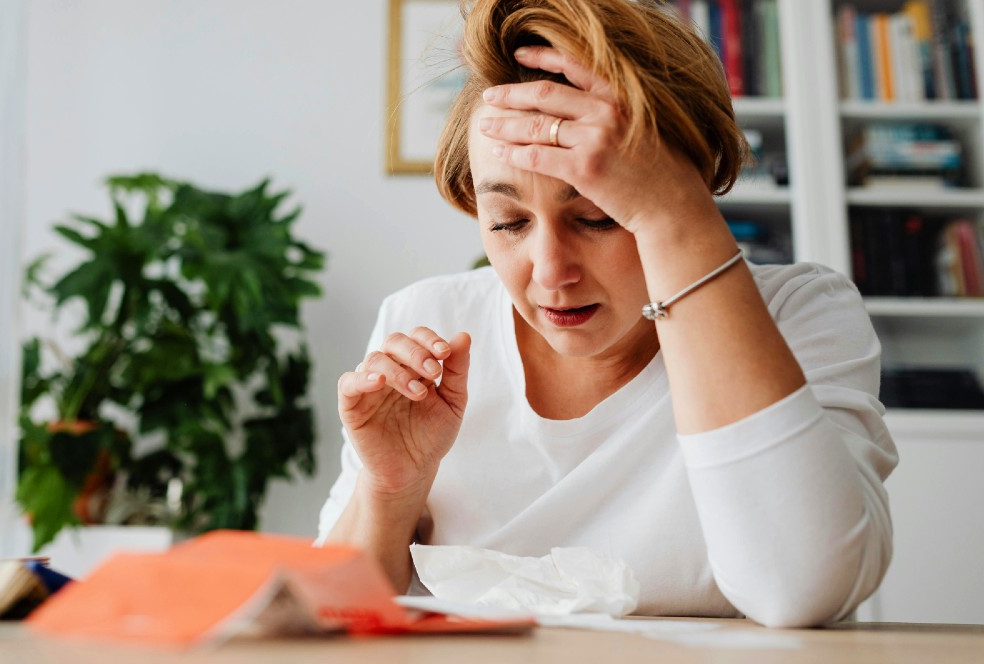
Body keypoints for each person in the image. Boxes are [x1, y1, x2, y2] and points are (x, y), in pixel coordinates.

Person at [317, 0, 897, 628]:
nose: (549, 271)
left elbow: (803, 590)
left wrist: (676, 214)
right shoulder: (426, 319)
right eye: (508, 221)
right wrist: (391, 489)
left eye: (598, 216)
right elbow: (336, 612)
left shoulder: (797, 315)